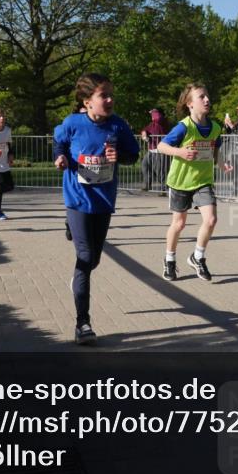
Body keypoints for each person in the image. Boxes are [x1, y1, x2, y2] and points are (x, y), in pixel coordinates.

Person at [53, 73, 140, 345]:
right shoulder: (73, 123)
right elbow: (59, 143)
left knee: (93, 261)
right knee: (85, 255)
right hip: (77, 198)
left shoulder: (118, 126)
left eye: (111, 94)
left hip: (103, 200)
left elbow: (133, 155)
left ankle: (80, 270)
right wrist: (59, 156)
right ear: (87, 101)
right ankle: (83, 323)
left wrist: (120, 157)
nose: (110, 99)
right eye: (104, 95)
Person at [157, 83, 232, 282]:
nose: (207, 100)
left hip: (203, 181)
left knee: (211, 220)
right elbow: (162, 146)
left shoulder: (215, 127)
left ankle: (197, 257)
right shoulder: (184, 127)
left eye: (207, 96)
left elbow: (216, 150)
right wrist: (180, 152)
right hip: (181, 182)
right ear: (190, 104)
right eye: (201, 97)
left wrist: (222, 164)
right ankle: (169, 259)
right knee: (179, 224)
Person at [140, 108, 171, 192]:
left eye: (154, 113)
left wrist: (154, 111)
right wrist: (144, 132)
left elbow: (158, 119)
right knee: (145, 165)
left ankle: (164, 189)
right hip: (151, 150)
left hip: (160, 150)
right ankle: (147, 184)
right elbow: (145, 129)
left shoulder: (163, 122)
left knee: (161, 171)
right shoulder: (152, 124)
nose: (152, 116)